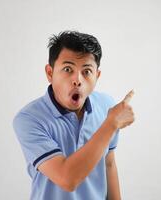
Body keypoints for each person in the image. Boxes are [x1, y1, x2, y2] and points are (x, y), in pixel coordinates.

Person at [13, 30, 135, 200]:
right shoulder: (29, 119)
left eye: (87, 71)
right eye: (68, 69)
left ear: (97, 76)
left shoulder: (107, 106)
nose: (77, 79)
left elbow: (108, 164)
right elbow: (67, 179)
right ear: (50, 73)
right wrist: (110, 124)